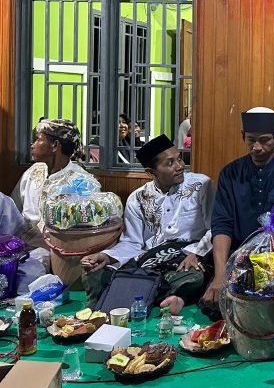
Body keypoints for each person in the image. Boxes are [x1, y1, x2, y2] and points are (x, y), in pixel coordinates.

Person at [81, 135, 213, 313]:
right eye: (170, 163)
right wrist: (107, 256)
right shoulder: (137, 198)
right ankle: (163, 295)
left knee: (194, 277)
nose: (180, 166)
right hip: (149, 260)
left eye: (179, 159)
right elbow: (132, 242)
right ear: (151, 172)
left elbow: (215, 227)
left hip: (185, 256)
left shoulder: (201, 185)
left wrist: (197, 253)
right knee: (95, 272)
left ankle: (131, 293)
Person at [202, 107, 274, 306]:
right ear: (242, 136)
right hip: (238, 263)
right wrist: (220, 278)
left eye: (265, 140)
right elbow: (222, 226)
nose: (257, 147)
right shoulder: (230, 174)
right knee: (217, 306)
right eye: (251, 140)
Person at [12, 118, 94, 274]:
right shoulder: (33, 171)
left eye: (38, 139)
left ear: (55, 145)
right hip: (19, 245)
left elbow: (83, 233)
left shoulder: (82, 182)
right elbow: (13, 209)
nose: (32, 145)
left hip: (55, 255)